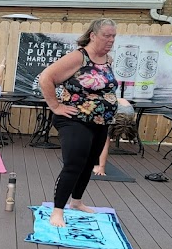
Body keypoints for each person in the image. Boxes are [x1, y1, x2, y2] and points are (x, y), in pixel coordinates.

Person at [38, 18, 119, 228]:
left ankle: (76, 202)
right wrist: (55, 106)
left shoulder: (107, 59)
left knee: (89, 163)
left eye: (113, 36)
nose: (111, 40)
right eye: (106, 36)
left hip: (100, 122)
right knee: (74, 164)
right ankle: (57, 211)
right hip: (74, 119)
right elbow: (45, 78)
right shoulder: (78, 57)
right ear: (93, 35)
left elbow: (105, 88)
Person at [93, 98, 135, 176]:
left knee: (103, 139)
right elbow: (104, 146)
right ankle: (96, 164)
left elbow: (105, 146)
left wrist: (101, 168)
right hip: (117, 108)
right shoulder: (112, 115)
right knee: (103, 139)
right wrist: (101, 168)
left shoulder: (127, 114)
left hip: (119, 106)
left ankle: (96, 164)